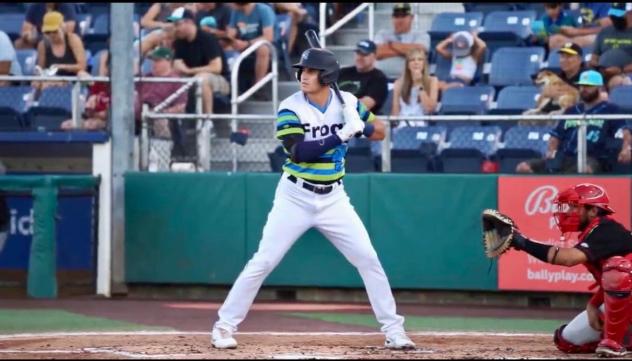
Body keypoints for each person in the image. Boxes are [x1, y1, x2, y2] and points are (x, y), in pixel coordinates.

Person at [210, 47, 416, 351]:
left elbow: (381, 132)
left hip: (334, 197)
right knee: (264, 260)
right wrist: (341, 134)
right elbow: (299, 152)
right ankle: (223, 327)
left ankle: (394, 329)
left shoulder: (347, 102)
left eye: (310, 71)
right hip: (295, 195)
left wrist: (362, 126)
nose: (303, 76)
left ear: (328, 76)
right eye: (302, 70)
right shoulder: (290, 106)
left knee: (368, 258)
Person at [500, 183, 632, 357]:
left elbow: (568, 258)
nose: (568, 212)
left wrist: (520, 241)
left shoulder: (605, 228)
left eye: (575, 207)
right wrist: (593, 304)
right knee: (567, 340)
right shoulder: (592, 231)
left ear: (593, 210)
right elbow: (610, 283)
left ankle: (613, 343)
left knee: (618, 268)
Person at [516, 70, 630, 174]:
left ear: (599, 88)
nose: (583, 89)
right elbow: (556, 135)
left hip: (591, 158)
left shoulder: (610, 109)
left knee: (584, 169)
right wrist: (551, 151)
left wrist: (626, 149)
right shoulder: (572, 110)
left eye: (588, 86)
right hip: (563, 156)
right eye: (581, 86)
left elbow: (625, 132)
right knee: (523, 167)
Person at [168, 7, 230, 115]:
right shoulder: (179, 42)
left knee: (201, 79)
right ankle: (177, 121)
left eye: (177, 24)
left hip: (221, 80)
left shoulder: (207, 38)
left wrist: (188, 71)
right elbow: (177, 66)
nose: (175, 28)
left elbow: (216, 67)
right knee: (172, 78)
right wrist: (177, 68)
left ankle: (208, 121)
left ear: (189, 22)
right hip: (192, 78)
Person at [227, 2, 275, 98]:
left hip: (263, 43)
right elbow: (230, 34)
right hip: (243, 43)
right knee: (224, 47)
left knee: (263, 49)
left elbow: (268, 37)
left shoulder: (263, 10)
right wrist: (232, 41)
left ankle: (258, 87)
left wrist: (247, 44)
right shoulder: (235, 12)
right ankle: (230, 88)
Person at [33, 11, 87, 91]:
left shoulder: (73, 39)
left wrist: (60, 67)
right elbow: (41, 69)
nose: (51, 35)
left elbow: (82, 66)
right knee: (36, 82)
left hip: (73, 79)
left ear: (62, 28)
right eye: (48, 32)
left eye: (54, 31)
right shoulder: (43, 45)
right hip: (52, 80)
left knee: (83, 75)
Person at [390, 48, 439, 127]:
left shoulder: (432, 81)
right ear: (408, 65)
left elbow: (430, 108)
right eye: (412, 60)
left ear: (424, 64)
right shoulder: (399, 83)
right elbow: (395, 112)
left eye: (420, 60)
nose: (416, 62)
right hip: (403, 124)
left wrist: (419, 85)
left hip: (422, 124)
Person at [338, 39, 388, 114]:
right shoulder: (343, 72)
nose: (360, 57)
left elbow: (363, 106)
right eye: (358, 53)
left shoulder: (379, 78)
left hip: (362, 120)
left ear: (374, 56)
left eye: (364, 54)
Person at [591, 3, 632, 81]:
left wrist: (621, 70)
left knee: (617, 81)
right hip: (601, 73)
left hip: (625, 75)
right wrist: (597, 67)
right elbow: (594, 57)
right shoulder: (605, 31)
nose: (615, 18)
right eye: (613, 15)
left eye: (619, 15)